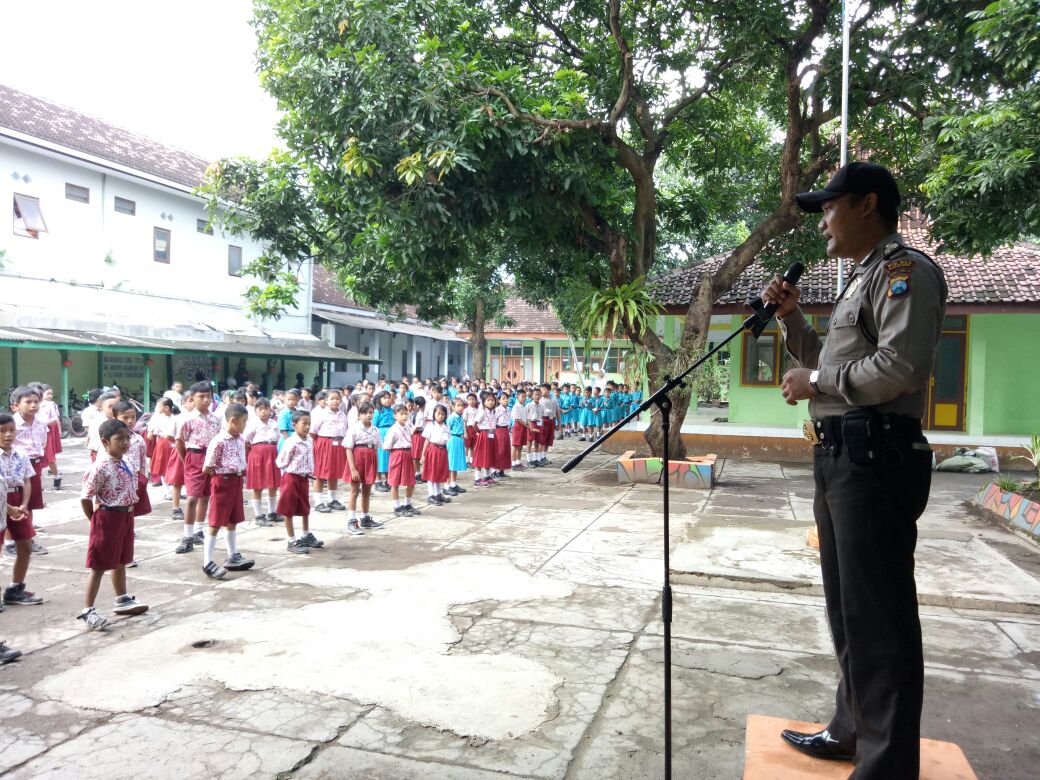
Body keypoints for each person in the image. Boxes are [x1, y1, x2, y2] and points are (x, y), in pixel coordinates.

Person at [760, 161, 947, 779]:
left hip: (877, 457)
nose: (822, 226)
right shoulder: (859, 280)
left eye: (830, 209)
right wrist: (790, 319)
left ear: (868, 205)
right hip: (840, 453)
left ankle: (886, 766)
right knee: (846, 607)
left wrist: (814, 380)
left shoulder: (904, 272)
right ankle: (850, 728)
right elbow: (828, 360)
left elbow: (901, 367)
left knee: (880, 615)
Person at [78, 419, 149, 631]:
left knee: (120, 560)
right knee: (99, 566)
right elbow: (85, 498)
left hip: (125, 516)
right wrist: (95, 520)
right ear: (105, 442)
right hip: (107, 517)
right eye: (120, 439)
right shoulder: (99, 467)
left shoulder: (126, 461)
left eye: (128, 438)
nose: (125, 443)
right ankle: (88, 610)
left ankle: (122, 598)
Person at [201, 404, 255, 579]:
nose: (245, 425)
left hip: (237, 481)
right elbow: (207, 467)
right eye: (244, 422)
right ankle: (207, 562)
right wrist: (222, 475)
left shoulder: (240, 439)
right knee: (215, 522)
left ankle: (232, 555)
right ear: (233, 420)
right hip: (223, 482)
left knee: (233, 519)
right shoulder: (219, 441)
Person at [0, 413, 43, 606]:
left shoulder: (21, 454)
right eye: (2, 431)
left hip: (18, 501)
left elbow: (26, 480)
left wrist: (24, 504)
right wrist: (9, 509)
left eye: (11, 430)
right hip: (3, 502)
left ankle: (15, 589)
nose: (8, 435)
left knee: (25, 546)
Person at [174, 382, 220, 554]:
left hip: (210, 458)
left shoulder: (216, 419)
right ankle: (187, 536)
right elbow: (179, 441)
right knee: (192, 497)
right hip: (194, 456)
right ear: (192, 399)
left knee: (206, 496)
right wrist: (185, 460)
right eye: (202, 396)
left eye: (208, 396)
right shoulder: (187, 419)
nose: (206, 400)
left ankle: (199, 531)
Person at [275, 410, 323, 553]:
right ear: (294, 425)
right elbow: (281, 462)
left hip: (304, 478)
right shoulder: (291, 442)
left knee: (304, 508)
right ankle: (292, 540)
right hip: (291, 478)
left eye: (309, 424)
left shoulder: (309, 440)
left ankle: (306, 534)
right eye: (304, 424)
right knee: (288, 510)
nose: (308, 427)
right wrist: (289, 471)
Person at [341, 401, 383, 534]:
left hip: (370, 460)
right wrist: (353, 468)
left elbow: (376, 448)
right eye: (365, 413)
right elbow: (348, 449)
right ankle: (351, 520)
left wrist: (375, 467)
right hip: (358, 459)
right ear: (359, 415)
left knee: (366, 491)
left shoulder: (375, 430)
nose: (368, 415)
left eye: (371, 412)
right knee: (354, 491)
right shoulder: (353, 429)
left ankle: (365, 518)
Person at [243, 398, 280, 526]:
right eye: (260, 409)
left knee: (273, 484)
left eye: (266, 409)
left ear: (270, 410)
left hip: (272, 453)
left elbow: (278, 438)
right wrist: (255, 451)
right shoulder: (253, 424)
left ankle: (272, 513)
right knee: (257, 486)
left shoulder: (274, 423)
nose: (264, 412)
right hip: (257, 454)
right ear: (256, 411)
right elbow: (246, 441)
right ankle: (259, 515)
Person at [311, 389, 348, 513]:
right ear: (326, 401)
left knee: (334, 473)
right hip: (324, 444)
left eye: (337, 399)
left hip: (338, 445)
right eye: (332, 398)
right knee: (320, 474)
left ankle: (332, 500)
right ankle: (318, 501)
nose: (335, 401)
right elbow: (313, 432)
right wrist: (321, 444)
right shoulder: (321, 414)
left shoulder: (343, 414)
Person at [382, 404, 421, 516]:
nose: (404, 416)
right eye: (401, 414)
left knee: (411, 481)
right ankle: (397, 506)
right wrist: (396, 453)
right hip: (397, 454)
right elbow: (386, 446)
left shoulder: (408, 427)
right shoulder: (392, 430)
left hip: (408, 453)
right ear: (395, 416)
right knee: (395, 482)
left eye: (406, 414)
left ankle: (407, 504)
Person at [419, 403, 451, 505]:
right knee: (431, 473)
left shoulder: (446, 427)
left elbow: (447, 441)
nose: (440, 416)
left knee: (439, 473)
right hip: (433, 449)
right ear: (434, 414)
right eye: (438, 413)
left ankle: (437, 494)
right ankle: (431, 495)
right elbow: (427, 441)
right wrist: (423, 455)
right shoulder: (430, 426)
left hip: (442, 450)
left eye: (443, 414)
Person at [37, 385, 63, 490]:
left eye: (51, 393)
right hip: (35, 433)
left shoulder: (50, 405)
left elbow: (55, 419)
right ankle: (38, 483)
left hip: (47, 432)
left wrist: (59, 430)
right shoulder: (31, 404)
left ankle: (56, 476)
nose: (50, 396)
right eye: (47, 393)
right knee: (36, 459)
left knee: (50, 458)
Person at [445, 397, 469, 495]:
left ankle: (453, 484)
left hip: (459, 439)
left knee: (455, 464)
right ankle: (447, 486)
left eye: (462, 405)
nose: (460, 408)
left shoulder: (460, 417)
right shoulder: (451, 418)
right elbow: (446, 430)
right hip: (452, 439)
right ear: (453, 406)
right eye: (458, 405)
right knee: (450, 464)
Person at [372, 391, 395, 492]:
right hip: (381, 435)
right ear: (379, 400)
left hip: (391, 435)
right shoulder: (377, 412)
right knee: (380, 459)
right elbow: (373, 426)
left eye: (388, 397)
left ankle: (388, 480)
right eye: (384, 398)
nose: (387, 400)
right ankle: (377, 481)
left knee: (389, 459)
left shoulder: (392, 411)